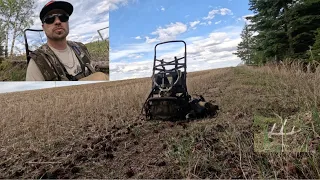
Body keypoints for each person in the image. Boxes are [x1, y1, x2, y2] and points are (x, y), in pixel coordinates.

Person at [26, 0, 107, 81]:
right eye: (50, 18)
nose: (58, 21)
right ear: (43, 27)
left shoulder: (81, 48)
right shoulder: (38, 62)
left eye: (63, 17)